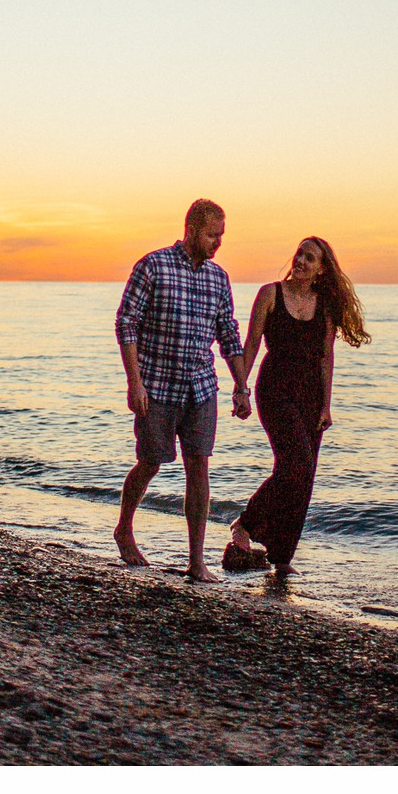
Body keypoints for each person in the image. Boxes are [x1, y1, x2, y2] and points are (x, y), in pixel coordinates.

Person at [114, 198, 252, 582]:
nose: (218, 243)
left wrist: (242, 387)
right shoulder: (153, 266)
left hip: (201, 387)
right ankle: (124, 528)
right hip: (157, 386)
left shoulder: (218, 278)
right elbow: (126, 324)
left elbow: (228, 334)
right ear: (192, 230)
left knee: (199, 465)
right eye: (212, 235)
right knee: (151, 462)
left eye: (222, 236)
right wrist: (134, 381)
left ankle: (196, 561)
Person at [223, 236, 370, 576]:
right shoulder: (270, 294)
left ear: (321, 270)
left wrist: (326, 405)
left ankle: (282, 557)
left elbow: (326, 357)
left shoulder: (325, 305)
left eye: (310, 257)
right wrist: (240, 389)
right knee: (297, 463)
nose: (301, 260)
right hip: (274, 389)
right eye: (300, 254)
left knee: (304, 476)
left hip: (311, 397)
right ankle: (244, 523)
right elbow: (252, 342)